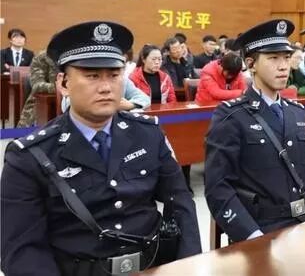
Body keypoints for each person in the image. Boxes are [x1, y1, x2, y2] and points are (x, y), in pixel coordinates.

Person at [1, 21, 201, 276]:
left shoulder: (148, 134)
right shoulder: (30, 155)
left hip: (152, 265)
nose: (106, 87)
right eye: (92, 76)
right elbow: (20, 248)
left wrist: (187, 267)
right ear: (63, 84)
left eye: (114, 75)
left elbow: (180, 201)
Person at [205, 19, 305, 242]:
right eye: (273, 58)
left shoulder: (296, 112)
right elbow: (218, 187)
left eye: (287, 58)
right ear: (251, 64)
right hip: (263, 230)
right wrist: (253, 237)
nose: (283, 66)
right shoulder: (231, 116)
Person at [62, 76, 151, 113]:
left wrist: (131, 105)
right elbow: (67, 106)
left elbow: (144, 98)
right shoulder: (80, 78)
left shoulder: (122, 79)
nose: (105, 88)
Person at [17, 51, 59, 127]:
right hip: (41, 106)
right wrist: (60, 89)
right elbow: (37, 85)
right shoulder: (42, 57)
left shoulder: (78, 55)